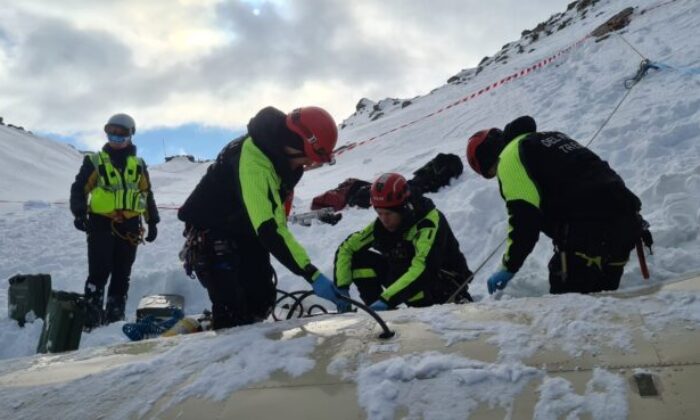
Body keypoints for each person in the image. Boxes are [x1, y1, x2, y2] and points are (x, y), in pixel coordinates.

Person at [177, 106, 346, 330]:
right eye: (307, 159)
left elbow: (276, 221)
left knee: (261, 300)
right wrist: (312, 274)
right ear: (296, 144)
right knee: (233, 312)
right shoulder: (254, 162)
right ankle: (219, 340)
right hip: (211, 230)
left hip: (243, 228)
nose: (306, 165)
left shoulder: (282, 160)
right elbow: (269, 229)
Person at [466, 115, 646, 295]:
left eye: (492, 172)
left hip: (589, 233)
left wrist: (509, 267)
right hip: (627, 224)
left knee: (568, 311)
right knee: (604, 304)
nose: (498, 176)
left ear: (488, 158)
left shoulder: (509, 157)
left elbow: (525, 220)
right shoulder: (550, 138)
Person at [333, 173, 473, 311]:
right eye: (379, 213)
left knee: (415, 274)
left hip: (440, 284)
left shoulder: (428, 222)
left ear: (403, 208)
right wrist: (342, 288)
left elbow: (423, 268)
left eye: (388, 214)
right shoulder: (383, 224)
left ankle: (419, 314)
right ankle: (376, 314)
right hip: (405, 281)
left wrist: (387, 299)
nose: (384, 219)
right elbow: (348, 247)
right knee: (359, 260)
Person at [70, 113, 159, 330]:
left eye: (122, 133)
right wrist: (80, 213)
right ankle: (90, 322)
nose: (116, 137)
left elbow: (146, 193)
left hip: (129, 227)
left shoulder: (138, 164)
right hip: (101, 224)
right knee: (99, 272)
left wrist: (153, 221)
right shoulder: (94, 161)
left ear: (131, 135)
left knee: (122, 274)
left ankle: (114, 321)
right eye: (111, 131)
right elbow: (79, 188)